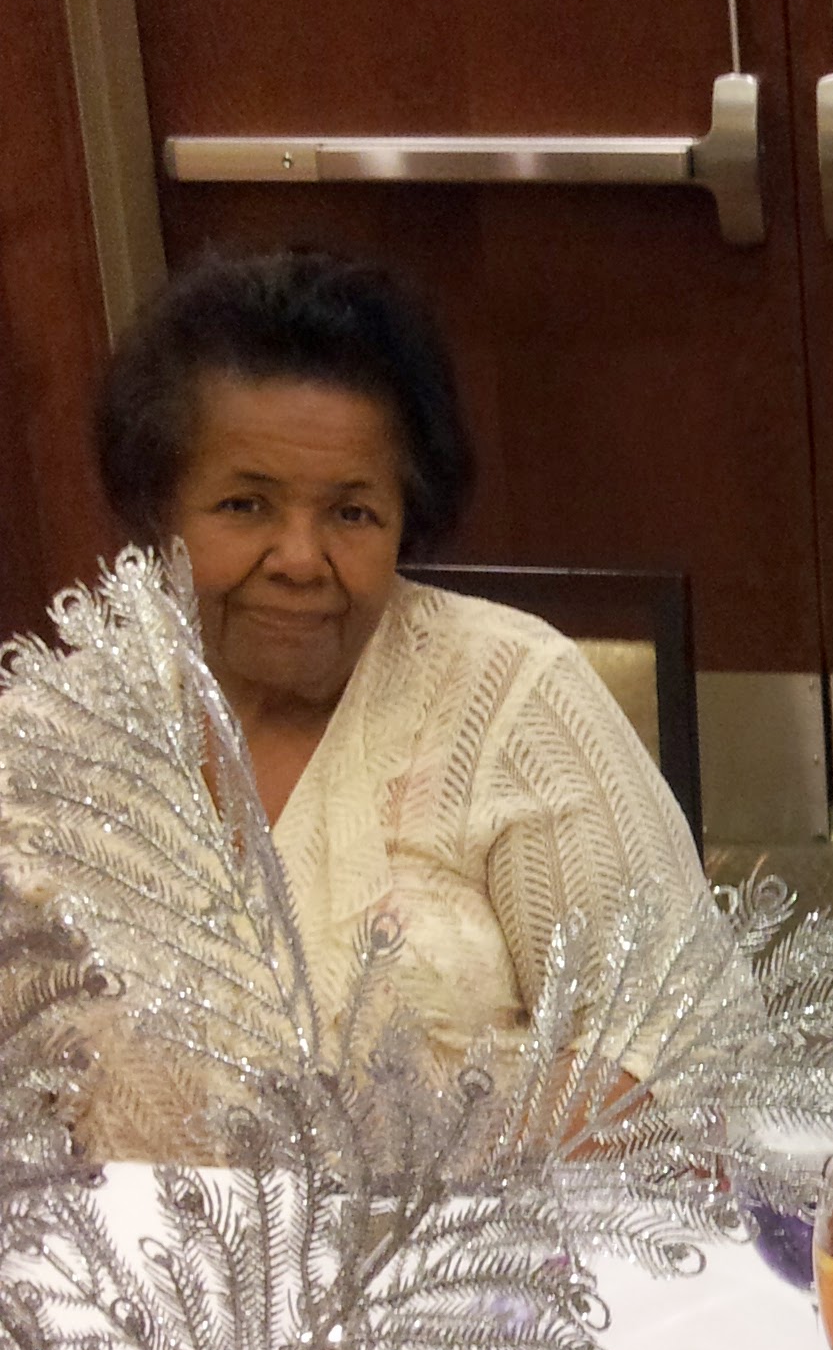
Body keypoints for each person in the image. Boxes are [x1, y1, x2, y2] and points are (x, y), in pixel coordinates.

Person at [10, 246, 716, 1144]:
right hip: (113, 1273)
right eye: (245, 506)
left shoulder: (514, 694)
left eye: (351, 513)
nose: (300, 560)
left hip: (477, 1263)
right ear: (161, 510)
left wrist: (401, 1209)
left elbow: (675, 1046)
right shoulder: (54, 732)